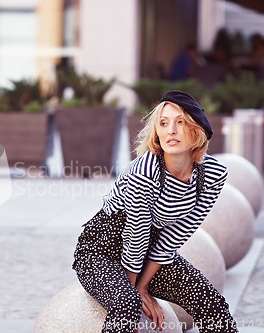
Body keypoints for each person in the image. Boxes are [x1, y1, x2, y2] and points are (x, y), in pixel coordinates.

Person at [72, 91, 238, 333]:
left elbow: (175, 236)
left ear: (197, 130)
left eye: (180, 122)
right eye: (163, 123)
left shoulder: (212, 174)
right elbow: (135, 233)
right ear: (157, 133)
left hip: (149, 255)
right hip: (101, 252)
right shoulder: (145, 171)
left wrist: (143, 285)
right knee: (126, 305)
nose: (171, 130)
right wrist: (133, 292)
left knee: (212, 304)